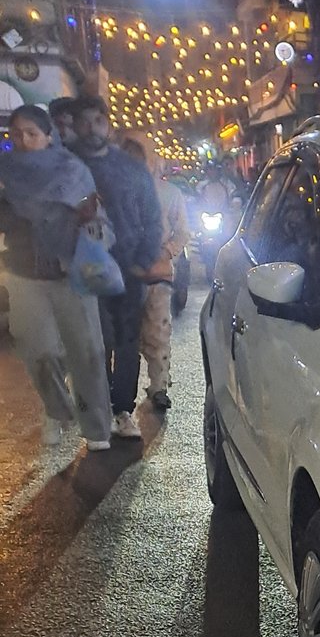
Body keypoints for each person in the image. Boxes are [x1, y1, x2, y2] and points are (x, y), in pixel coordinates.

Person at [0, 104, 112, 450]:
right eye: (16, 134)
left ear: (48, 136)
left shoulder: (71, 171)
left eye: (31, 133)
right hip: (24, 273)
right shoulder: (5, 174)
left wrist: (89, 240)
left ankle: (96, 429)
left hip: (71, 271)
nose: (23, 139)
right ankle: (57, 410)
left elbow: (94, 215)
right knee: (39, 351)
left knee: (87, 352)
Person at [72, 96, 162, 440]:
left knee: (125, 339)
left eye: (99, 120)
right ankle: (96, 410)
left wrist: (143, 259)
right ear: (77, 125)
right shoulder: (70, 165)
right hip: (83, 267)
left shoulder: (130, 168)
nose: (92, 128)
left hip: (126, 267)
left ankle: (122, 408)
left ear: (107, 125)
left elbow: (151, 216)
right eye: (86, 121)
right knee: (94, 342)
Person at [122, 136, 189, 410]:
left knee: (158, 331)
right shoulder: (115, 193)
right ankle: (122, 398)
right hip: (124, 275)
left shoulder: (170, 194)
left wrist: (168, 251)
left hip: (158, 273)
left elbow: (183, 231)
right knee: (127, 337)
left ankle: (159, 386)